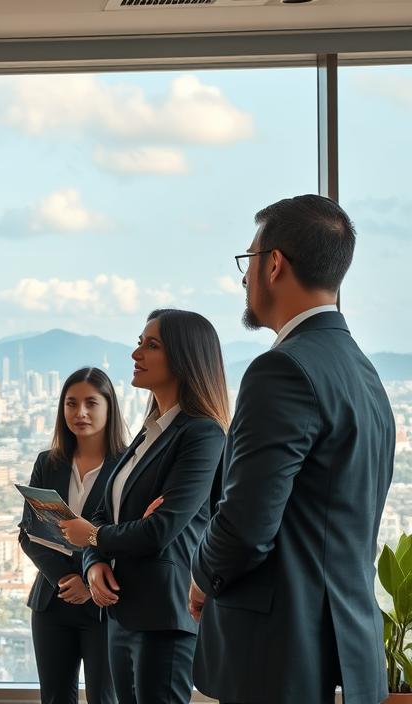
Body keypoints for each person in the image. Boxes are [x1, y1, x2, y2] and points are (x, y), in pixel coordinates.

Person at [191, 195, 394, 704]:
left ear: (274, 264)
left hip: (282, 657)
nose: (244, 279)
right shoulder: (365, 374)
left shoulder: (281, 370)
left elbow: (246, 525)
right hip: (348, 650)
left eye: (249, 261)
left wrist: (202, 576)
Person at [59, 309, 228, 704]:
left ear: (186, 357)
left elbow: (159, 531)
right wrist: (93, 561)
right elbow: (103, 510)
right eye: (139, 342)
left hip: (164, 617)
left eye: (151, 345)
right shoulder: (149, 431)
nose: (136, 353)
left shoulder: (202, 433)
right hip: (122, 610)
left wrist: (96, 536)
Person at [20, 367, 127, 704]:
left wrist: (87, 581)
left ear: (109, 408)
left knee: (105, 699)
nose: (80, 413)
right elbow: (29, 533)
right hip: (53, 601)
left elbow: (126, 537)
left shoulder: (127, 466)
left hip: (103, 607)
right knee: (54, 699)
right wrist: (67, 578)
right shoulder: (48, 463)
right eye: (71, 403)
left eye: (91, 403)